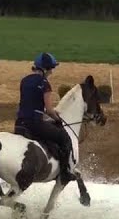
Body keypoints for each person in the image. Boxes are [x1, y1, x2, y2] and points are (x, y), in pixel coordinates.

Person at [14, 52, 79, 184]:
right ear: (46, 69)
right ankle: (66, 172)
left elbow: (31, 103)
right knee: (64, 137)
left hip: (20, 123)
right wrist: (57, 119)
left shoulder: (24, 81)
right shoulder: (45, 84)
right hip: (35, 124)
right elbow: (49, 110)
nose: (52, 72)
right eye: (51, 68)